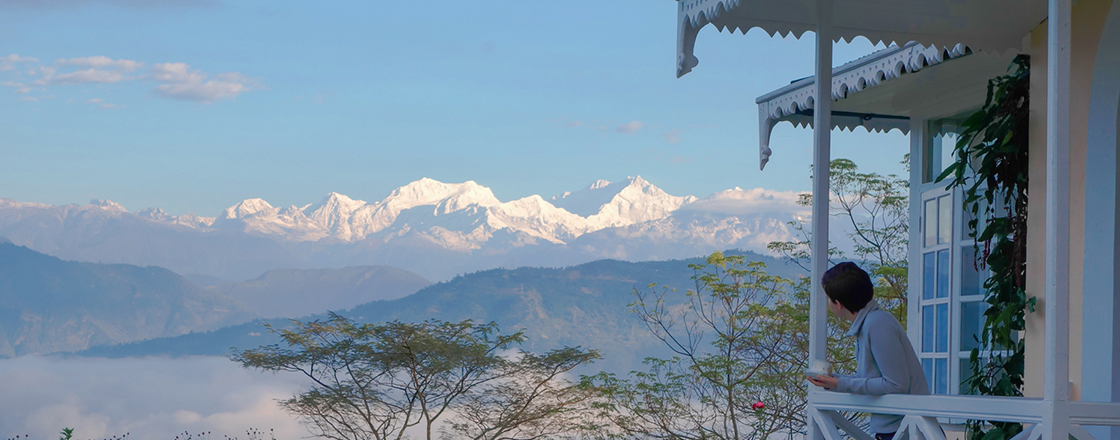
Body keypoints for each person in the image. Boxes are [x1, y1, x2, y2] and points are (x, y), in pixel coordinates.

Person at [807, 262, 929, 440]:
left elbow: (896, 384)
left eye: (828, 298)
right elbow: (876, 380)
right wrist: (834, 381)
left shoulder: (878, 324)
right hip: (897, 427)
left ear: (838, 304)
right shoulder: (871, 323)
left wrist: (839, 384)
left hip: (904, 429)